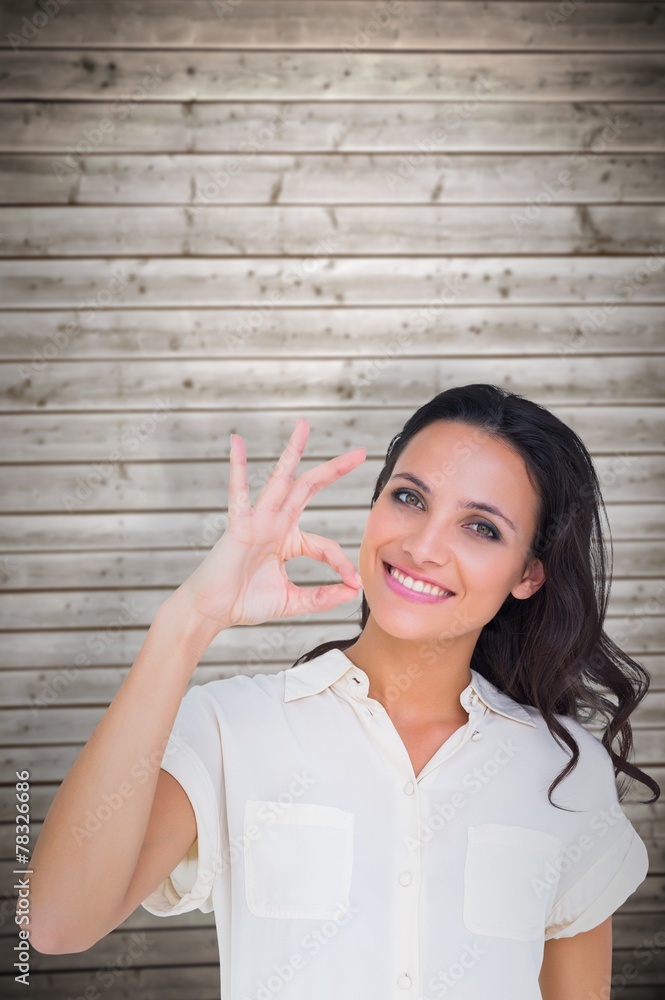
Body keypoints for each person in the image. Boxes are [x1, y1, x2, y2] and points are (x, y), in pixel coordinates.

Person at [23, 383, 658, 1000]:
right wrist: (187, 621)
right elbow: (54, 923)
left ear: (528, 574)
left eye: (482, 528)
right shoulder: (233, 728)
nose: (423, 546)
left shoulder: (564, 769)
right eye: (410, 498)